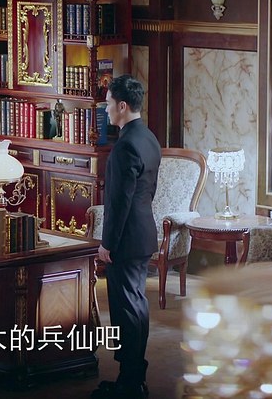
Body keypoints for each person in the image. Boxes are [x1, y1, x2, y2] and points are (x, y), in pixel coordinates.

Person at [91, 75, 160, 399]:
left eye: (107, 103)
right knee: (136, 304)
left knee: (126, 309)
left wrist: (107, 244)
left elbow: (118, 203)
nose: (105, 109)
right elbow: (147, 193)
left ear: (121, 106)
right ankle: (132, 378)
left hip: (127, 239)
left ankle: (130, 384)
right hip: (143, 233)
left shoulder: (125, 146)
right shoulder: (149, 138)